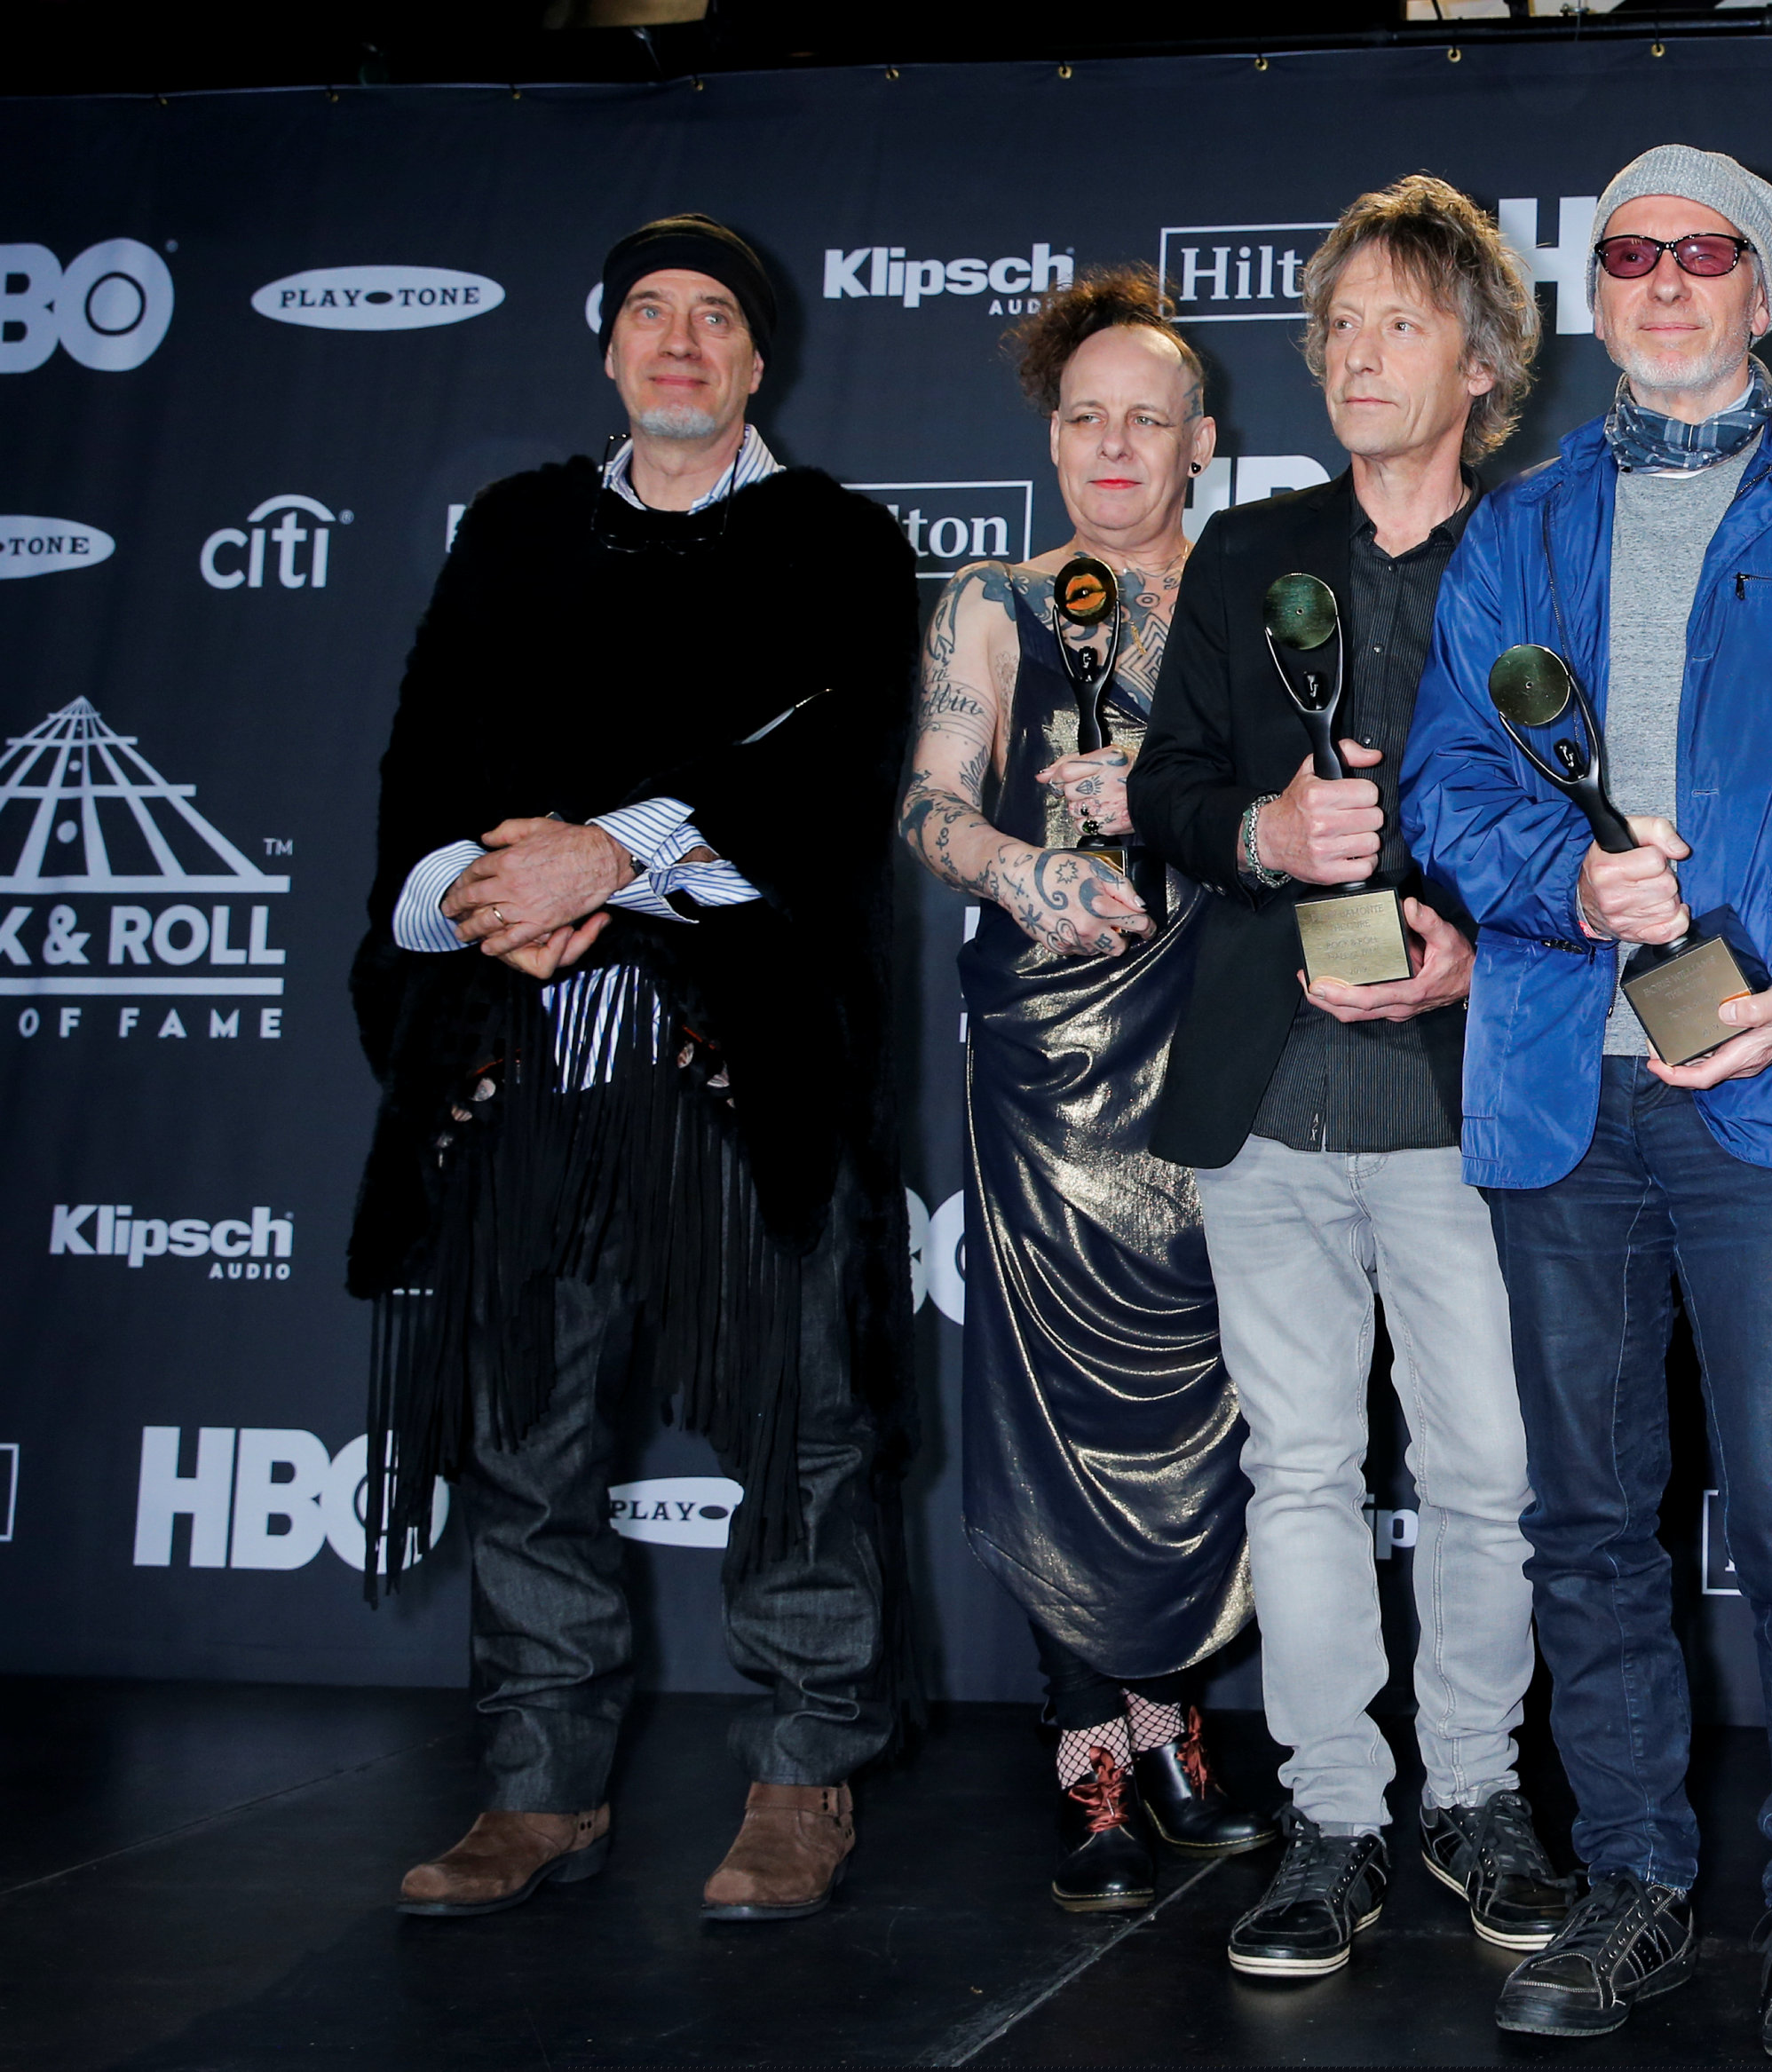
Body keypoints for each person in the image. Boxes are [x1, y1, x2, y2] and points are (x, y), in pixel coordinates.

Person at [1400, 146, 1772, 2062]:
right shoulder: (1517, 522)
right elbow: (1449, 790)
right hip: (1565, 1084)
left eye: (1699, 254)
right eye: (1627, 256)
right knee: (1588, 1520)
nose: (1660, 284)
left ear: (1762, 284)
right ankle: (1634, 1879)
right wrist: (1564, 888)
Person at [346, 214, 920, 1923]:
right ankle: (538, 1789)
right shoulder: (516, 530)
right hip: (517, 1063)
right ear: (609, 349)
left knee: (807, 1434)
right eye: (649, 314)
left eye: (716, 318)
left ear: (760, 361)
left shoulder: (836, 540)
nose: (680, 341)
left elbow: (821, 775)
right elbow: (420, 760)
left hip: (739, 1069)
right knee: (524, 1433)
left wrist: (607, 852)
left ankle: (803, 1775)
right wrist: (477, 901)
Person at [1127, 176, 1569, 1981]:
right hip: (1262, 1095)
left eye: (1392, 322)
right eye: (1332, 327)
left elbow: (1580, 812)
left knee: (1483, 1475)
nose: (1351, 354)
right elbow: (1166, 798)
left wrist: (1478, 942)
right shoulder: (1247, 555)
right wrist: (1260, 825)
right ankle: (1334, 1817)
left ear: (1479, 359)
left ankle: (1474, 1795)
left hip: (1468, 1096)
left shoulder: (1540, 554)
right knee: (1300, 1476)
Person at [897, 266, 1271, 1915]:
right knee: (1062, 1407)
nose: (1114, 446)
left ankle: (1175, 1716)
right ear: (1052, 436)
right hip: (1049, 1051)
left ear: (1204, 442)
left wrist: (1184, 791)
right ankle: (1095, 1753)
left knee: (1220, 1395)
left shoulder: (1261, 591)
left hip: (1229, 1031)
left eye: (1148, 418)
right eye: (1085, 417)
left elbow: (1325, 791)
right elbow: (928, 805)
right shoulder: (989, 597)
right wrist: (1019, 872)